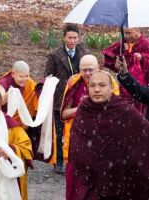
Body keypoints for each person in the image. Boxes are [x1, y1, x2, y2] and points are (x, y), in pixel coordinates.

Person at [68, 71, 149, 200]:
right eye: (92, 85)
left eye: (102, 85)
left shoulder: (122, 109)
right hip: (93, 178)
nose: (97, 90)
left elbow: (144, 135)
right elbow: (77, 143)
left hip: (120, 176)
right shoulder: (84, 109)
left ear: (111, 88)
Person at [61, 55, 119, 200]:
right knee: (76, 189)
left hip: (100, 144)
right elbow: (63, 114)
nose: (87, 74)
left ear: (98, 68)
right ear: (79, 70)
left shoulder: (109, 83)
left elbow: (116, 114)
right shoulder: (73, 82)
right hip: (77, 143)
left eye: (91, 70)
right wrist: (81, 107)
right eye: (84, 70)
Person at [0, 61, 56, 164]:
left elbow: (38, 93)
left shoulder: (28, 82)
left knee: (20, 150)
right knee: (3, 152)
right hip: (4, 123)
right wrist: (11, 93)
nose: (24, 79)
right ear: (13, 74)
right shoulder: (3, 82)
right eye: (21, 77)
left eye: (27, 76)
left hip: (21, 125)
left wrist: (46, 86)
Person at [44, 23, 87, 174]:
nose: (72, 40)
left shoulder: (83, 53)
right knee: (59, 132)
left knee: (77, 130)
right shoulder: (54, 55)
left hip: (78, 97)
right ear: (64, 38)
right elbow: (47, 77)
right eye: (70, 37)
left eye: (75, 37)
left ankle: (75, 160)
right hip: (60, 99)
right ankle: (59, 161)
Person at [103, 27, 149, 114]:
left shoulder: (145, 44)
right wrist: (117, 61)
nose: (127, 36)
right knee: (125, 109)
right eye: (126, 33)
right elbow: (110, 54)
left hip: (139, 85)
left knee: (138, 111)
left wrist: (142, 58)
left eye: (129, 33)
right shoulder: (123, 43)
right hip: (125, 82)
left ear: (137, 31)